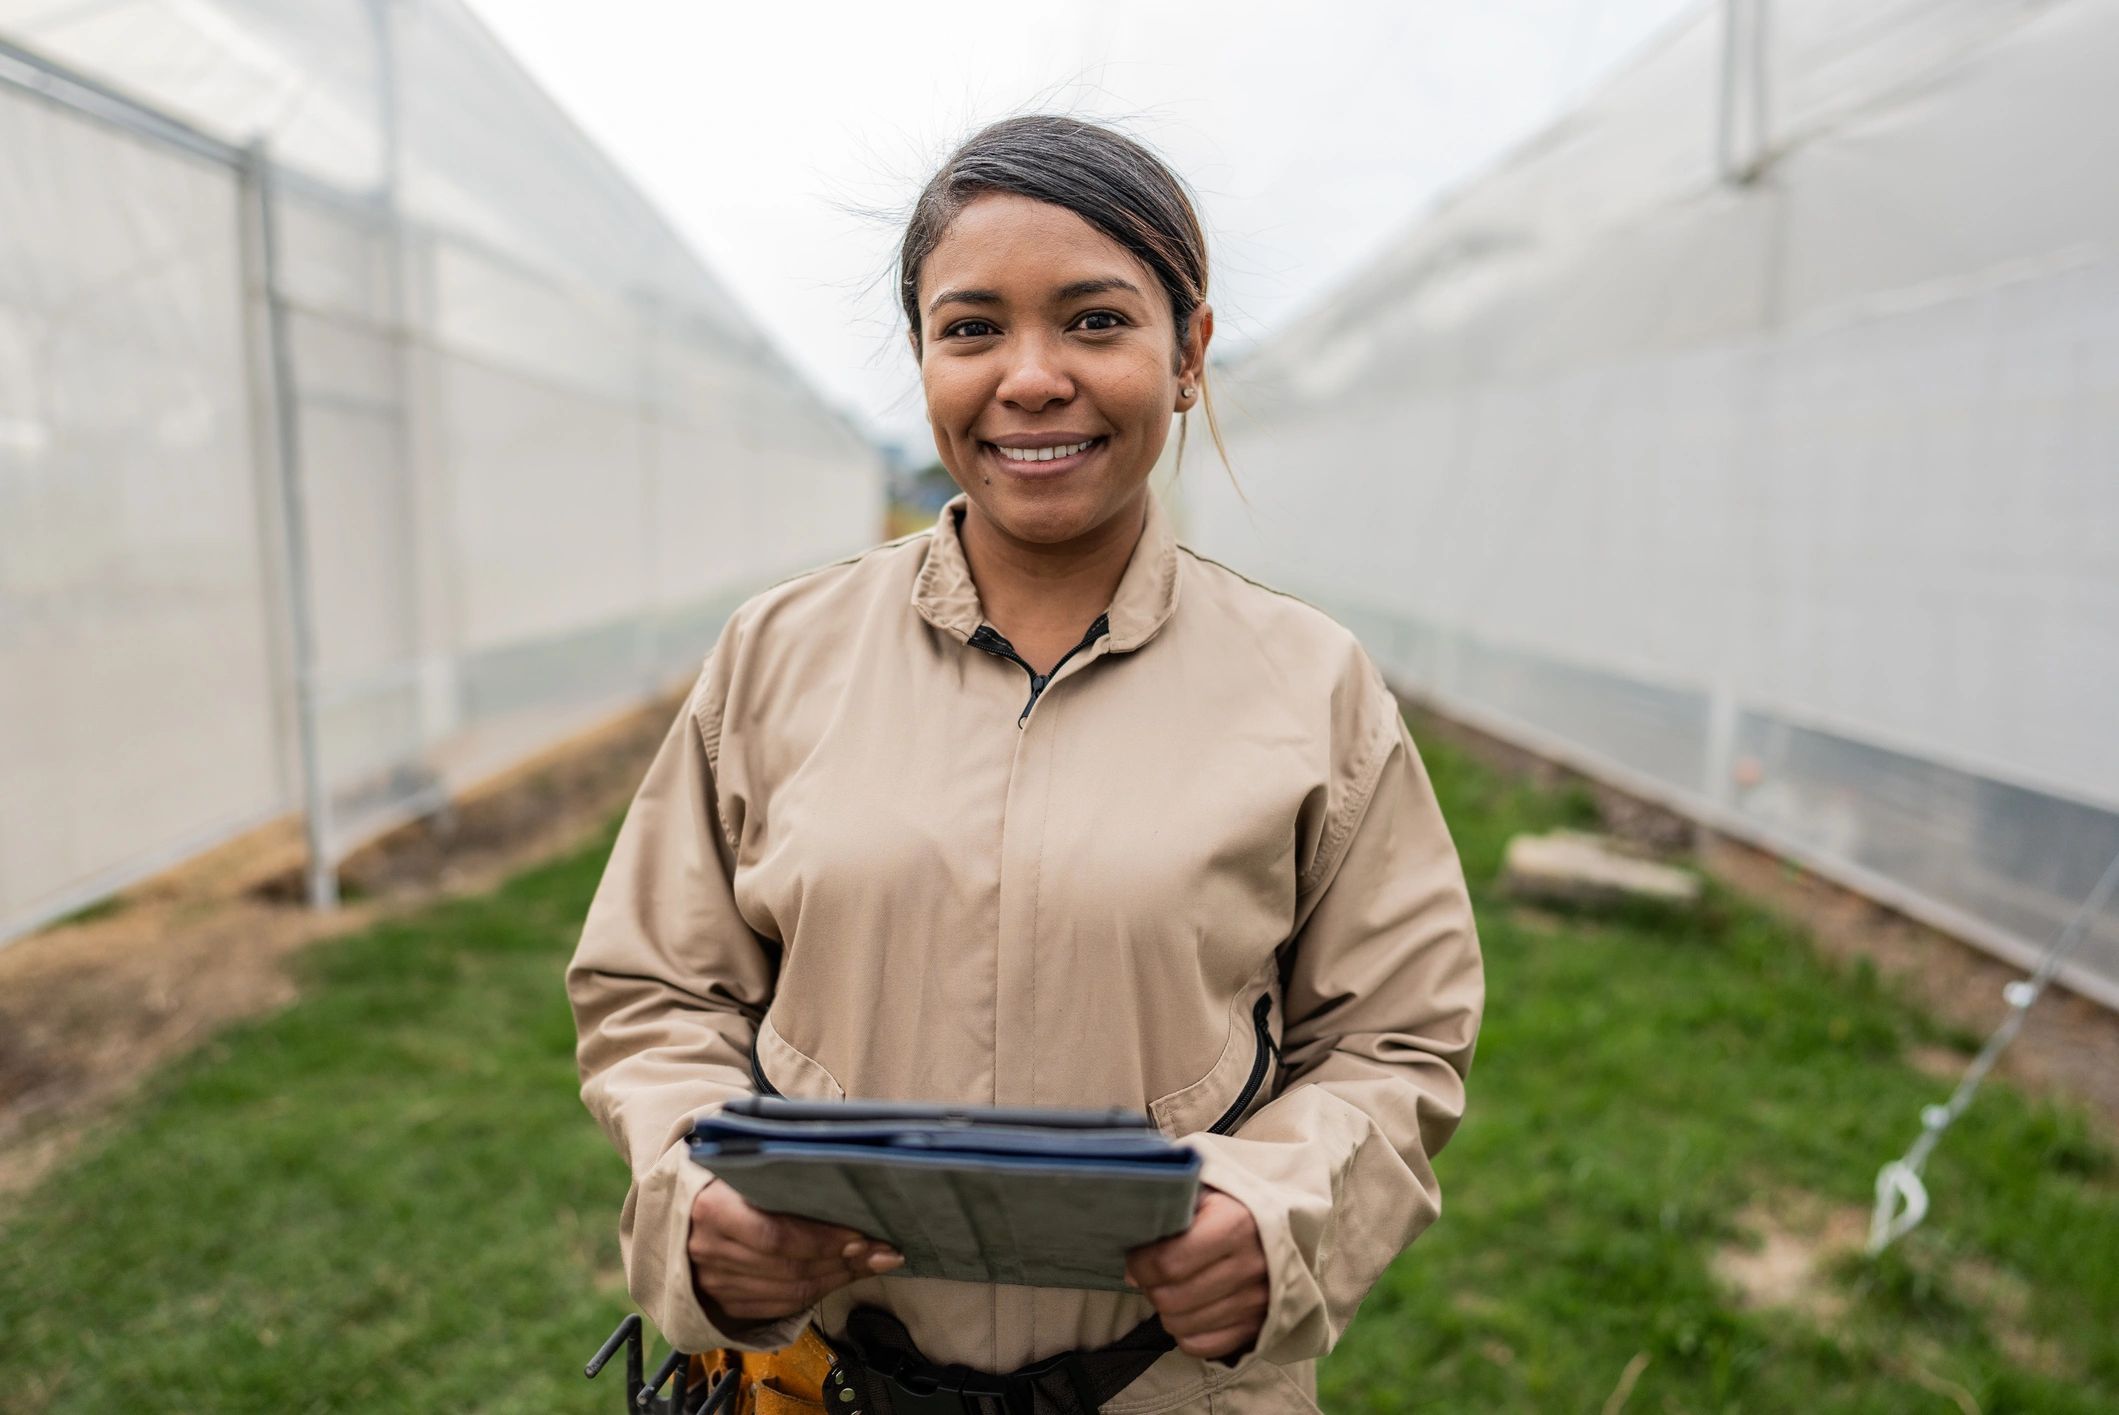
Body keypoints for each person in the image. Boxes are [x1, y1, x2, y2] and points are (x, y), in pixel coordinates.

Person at [567, 113, 1485, 1414]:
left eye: (1097, 321)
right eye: (973, 327)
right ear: (925, 359)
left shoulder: (1309, 684)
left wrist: (1278, 1215)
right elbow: (656, 989)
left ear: (1189, 353)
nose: (1033, 376)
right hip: (817, 1387)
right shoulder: (775, 656)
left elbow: (1394, 1038)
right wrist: (696, 1195)